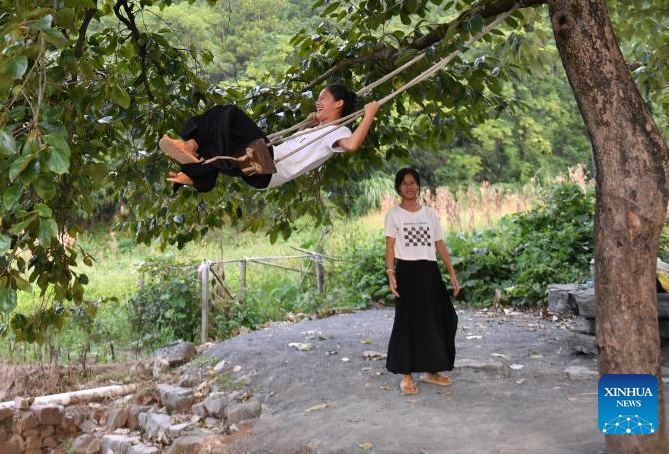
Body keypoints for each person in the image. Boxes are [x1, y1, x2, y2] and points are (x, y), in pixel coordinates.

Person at [157, 84, 380, 192]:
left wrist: (369, 115)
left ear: (339, 103)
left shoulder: (339, 131)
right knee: (221, 131)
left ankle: (191, 147)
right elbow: (298, 146)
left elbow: (351, 145)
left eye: (323, 98)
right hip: (257, 172)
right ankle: (194, 173)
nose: (317, 102)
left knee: (230, 114)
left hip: (268, 166)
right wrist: (307, 125)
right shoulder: (318, 129)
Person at [384, 167, 460, 395]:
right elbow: (390, 247)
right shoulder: (393, 215)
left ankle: (431, 371)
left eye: (413, 182)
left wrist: (452, 272)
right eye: (405, 183)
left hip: (429, 272)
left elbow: (439, 245)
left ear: (418, 186)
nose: (409, 187)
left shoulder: (430, 214)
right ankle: (406, 376)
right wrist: (391, 273)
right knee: (407, 322)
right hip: (406, 273)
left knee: (438, 319)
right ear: (398, 187)